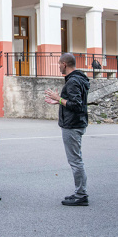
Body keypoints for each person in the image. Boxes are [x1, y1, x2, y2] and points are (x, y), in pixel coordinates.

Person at [45, 53, 90, 206]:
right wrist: (59, 102)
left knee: (75, 161)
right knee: (76, 159)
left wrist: (59, 99)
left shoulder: (73, 82)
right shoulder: (79, 79)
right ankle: (80, 192)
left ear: (64, 64)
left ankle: (81, 195)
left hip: (73, 125)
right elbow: (74, 102)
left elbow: (76, 105)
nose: (58, 66)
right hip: (77, 123)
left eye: (59, 64)